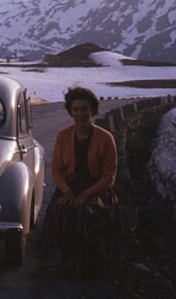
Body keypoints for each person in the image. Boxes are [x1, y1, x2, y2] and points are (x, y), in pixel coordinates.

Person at [44, 86, 121, 275]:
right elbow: (56, 169)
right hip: (69, 187)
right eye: (75, 109)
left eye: (84, 109)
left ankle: (89, 262)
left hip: (96, 189)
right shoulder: (63, 136)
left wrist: (86, 194)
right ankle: (68, 259)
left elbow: (109, 176)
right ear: (70, 111)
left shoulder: (105, 138)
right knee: (60, 210)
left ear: (93, 110)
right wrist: (68, 192)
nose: (80, 114)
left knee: (87, 211)